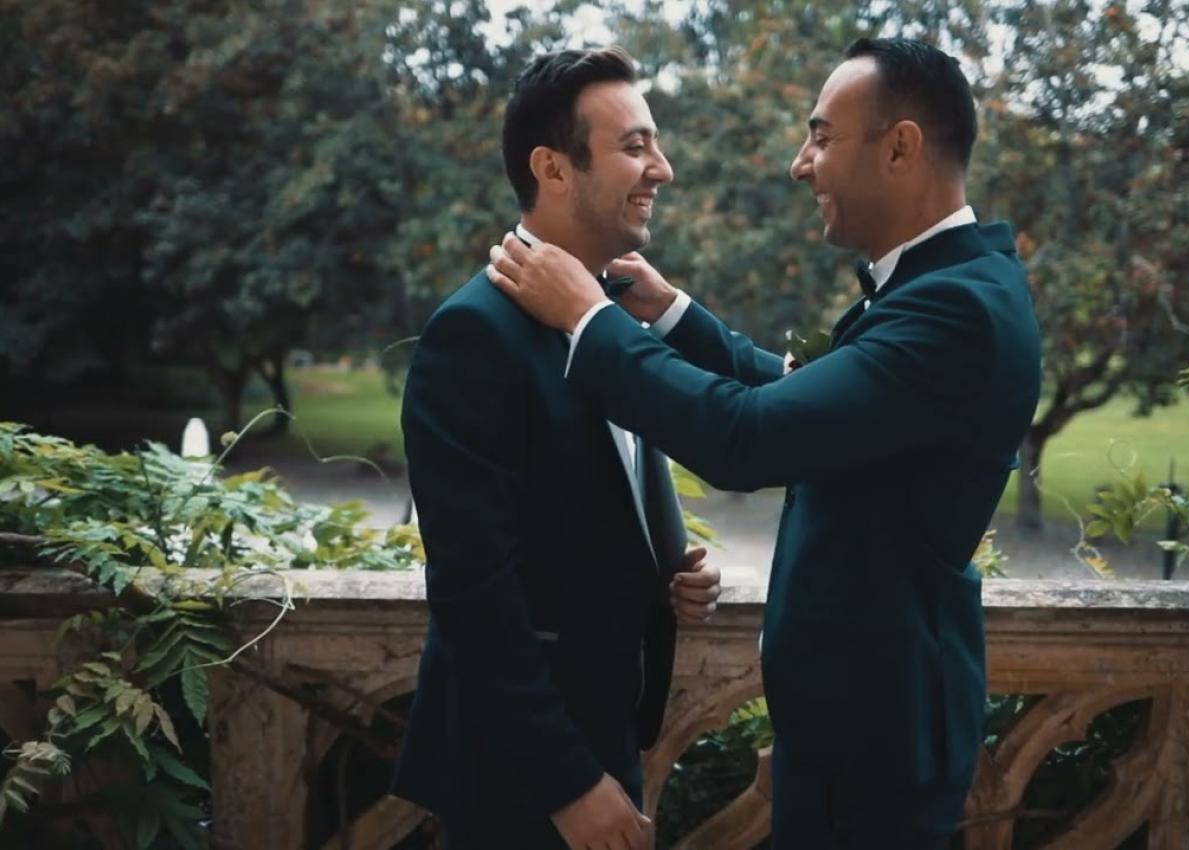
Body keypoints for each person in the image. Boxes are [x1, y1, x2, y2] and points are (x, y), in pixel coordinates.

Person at [486, 37, 1042, 849]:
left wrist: (589, 319)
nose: (800, 164)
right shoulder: (946, 285)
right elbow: (801, 400)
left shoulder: (956, 310)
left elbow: (748, 438)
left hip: (877, 740)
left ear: (900, 147)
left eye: (821, 136)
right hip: (860, 723)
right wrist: (675, 315)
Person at [391, 46, 721, 850]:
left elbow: (587, 502)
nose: (662, 169)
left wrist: (664, 569)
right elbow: (474, 591)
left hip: (608, 732)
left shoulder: (613, 316)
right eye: (635, 146)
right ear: (553, 168)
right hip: (523, 774)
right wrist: (567, 783)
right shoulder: (474, 334)